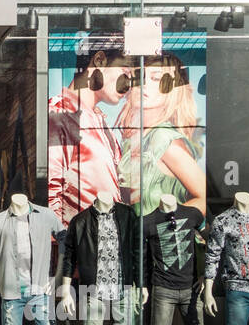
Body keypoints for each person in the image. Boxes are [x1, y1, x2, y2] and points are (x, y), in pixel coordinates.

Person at [47, 48, 133, 224]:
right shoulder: (62, 112)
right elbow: (49, 192)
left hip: (102, 241)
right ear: (99, 60)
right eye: (125, 72)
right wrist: (65, 245)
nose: (128, 85)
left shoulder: (98, 121)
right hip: (80, 244)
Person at [116, 52, 205, 216]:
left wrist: (162, 224)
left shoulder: (164, 139)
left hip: (161, 240)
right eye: (139, 76)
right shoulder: (135, 138)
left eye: (156, 79)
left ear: (172, 90)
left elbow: (204, 198)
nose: (143, 84)